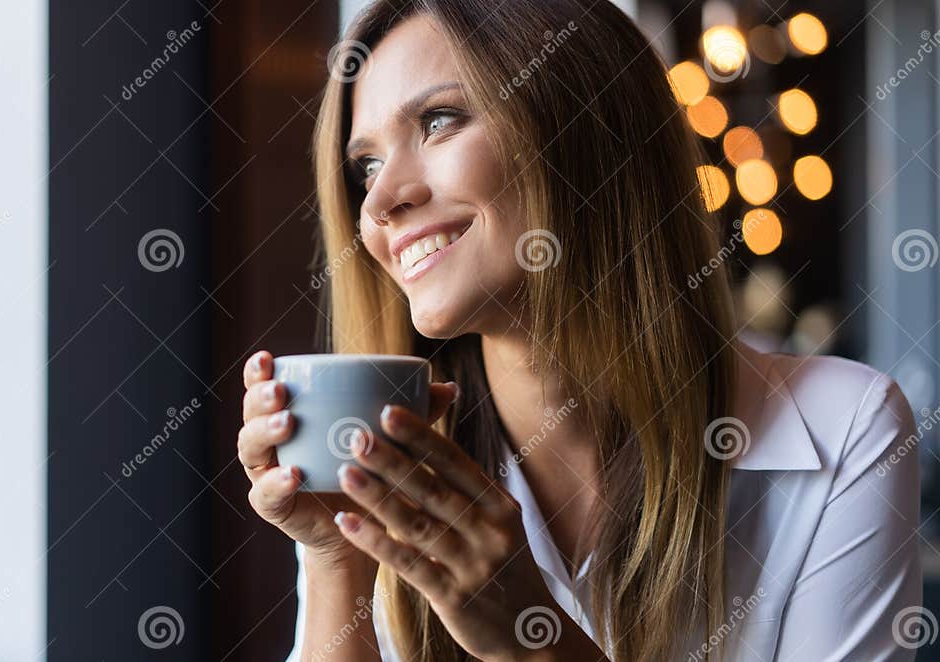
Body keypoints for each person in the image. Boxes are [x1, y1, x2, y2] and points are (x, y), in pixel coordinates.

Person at [236, 1, 923, 660]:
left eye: (439, 120)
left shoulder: (846, 429)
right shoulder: (389, 468)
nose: (382, 203)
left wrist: (534, 643)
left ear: (585, 128)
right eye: (367, 166)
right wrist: (334, 561)